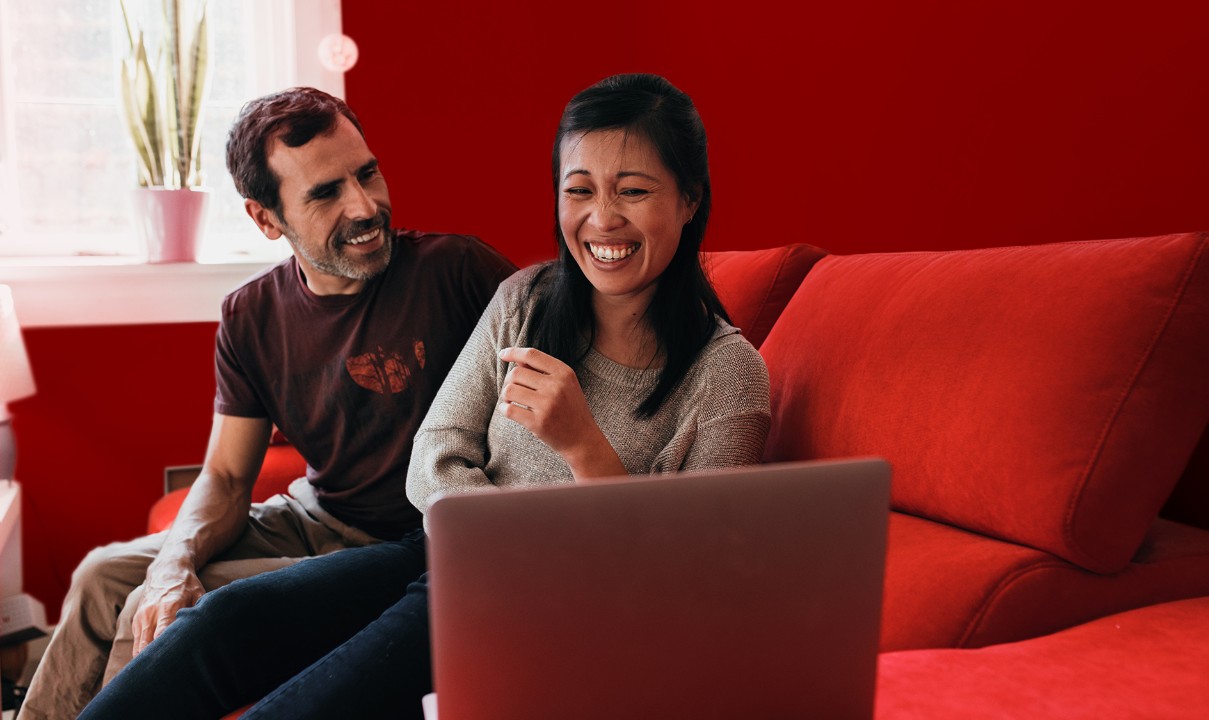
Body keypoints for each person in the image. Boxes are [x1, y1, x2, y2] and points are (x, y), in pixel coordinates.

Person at [78, 72, 771, 720]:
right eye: (579, 189)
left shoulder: (728, 375)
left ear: (690, 198)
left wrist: (584, 448)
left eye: (634, 191)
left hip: (561, 604)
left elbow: (685, 584)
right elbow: (433, 455)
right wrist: (503, 536)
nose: (601, 219)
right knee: (220, 624)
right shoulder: (524, 300)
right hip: (446, 556)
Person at [17, 87, 515, 720]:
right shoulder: (250, 314)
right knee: (99, 577)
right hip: (313, 516)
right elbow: (226, 476)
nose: (365, 207)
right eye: (325, 193)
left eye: (367, 174)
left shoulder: (457, 273)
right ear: (265, 218)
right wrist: (175, 558)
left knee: (156, 610)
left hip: (397, 549)